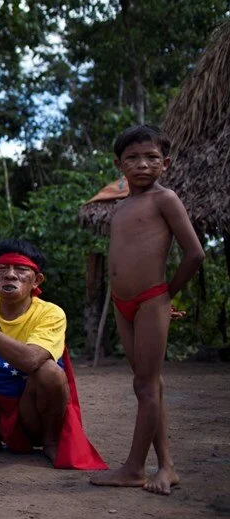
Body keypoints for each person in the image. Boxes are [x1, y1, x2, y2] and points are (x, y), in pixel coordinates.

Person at [90, 125, 204, 495]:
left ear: (165, 163)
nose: (143, 164)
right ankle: (166, 466)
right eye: (133, 158)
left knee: (146, 384)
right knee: (147, 385)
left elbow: (195, 253)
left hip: (151, 298)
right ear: (119, 164)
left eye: (151, 157)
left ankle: (134, 467)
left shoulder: (165, 199)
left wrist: (165, 296)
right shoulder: (121, 206)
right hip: (125, 305)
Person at [0, 239, 107, 471]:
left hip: (33, 413)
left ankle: (50, 440)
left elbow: (31, 361)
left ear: (37, 280)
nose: (10, 275)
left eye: (21, 269)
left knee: (51, 372)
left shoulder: (51, 313)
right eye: (3, 269)